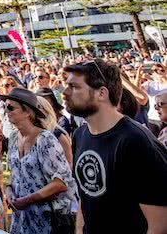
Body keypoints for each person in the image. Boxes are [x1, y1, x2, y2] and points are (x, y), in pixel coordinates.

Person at [63, 59, 167, 234]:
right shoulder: (80, 135)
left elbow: (160, 225)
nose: (65, 92)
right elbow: (86, 196)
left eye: (74, 86)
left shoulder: (135, 141)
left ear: (101, 93)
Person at [1, 87, 76, 234]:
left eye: (10, 107)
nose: (6, 111)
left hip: (46, 221)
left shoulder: (45, 139)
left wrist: (28, 200)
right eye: (4, 106)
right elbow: (15, 173)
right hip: (21, 219)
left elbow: (61, 183)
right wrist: (8, 190)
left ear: (27, 112)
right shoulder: (14, 137)